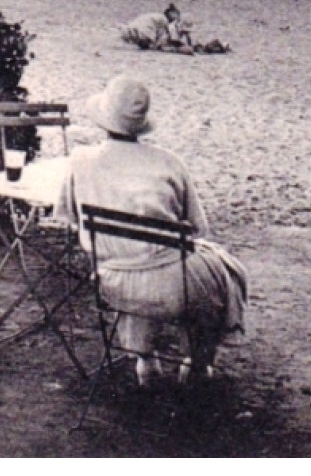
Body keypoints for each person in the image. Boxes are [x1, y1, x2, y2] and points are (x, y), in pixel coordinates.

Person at [56, 76, 248, 385]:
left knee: (136, 260)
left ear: (105, 119)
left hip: (112, 283)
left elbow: (68, 216)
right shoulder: (168, 162)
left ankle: (144, 359)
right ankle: (196, 361)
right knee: (220, 270)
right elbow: (198, 228)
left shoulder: (80, 161)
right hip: (175, 289)